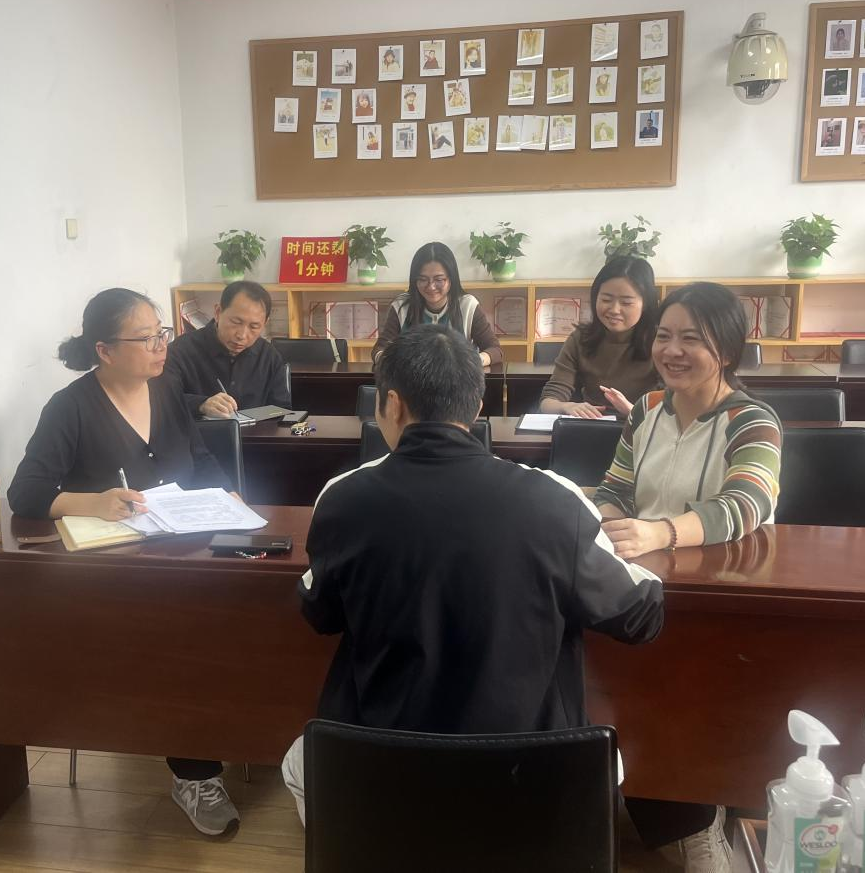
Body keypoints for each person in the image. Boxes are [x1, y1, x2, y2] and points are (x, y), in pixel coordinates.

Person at [282, 323, 664, 826]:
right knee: (601, 761)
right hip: (527, 771)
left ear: (391, 404)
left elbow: (320, 613)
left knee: (297, 765)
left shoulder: (343, 497)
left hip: (383, 763)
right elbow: (639, 617)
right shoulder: (555, 500)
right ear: (477, 407)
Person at [7, 288, 242, 837]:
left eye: (163, 334)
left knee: (255, 620)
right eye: (147, 338)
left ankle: (264, 740)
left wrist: (228, 497)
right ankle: (196, 774)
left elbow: (202, 461)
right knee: (184, 643)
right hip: (118, 576)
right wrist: (92, 502)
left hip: (189, 557)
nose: (162, 347)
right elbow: (25, 493)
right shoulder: (70, 407)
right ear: (105, 350)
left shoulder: (167, 388)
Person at [593, 281, 782, 872]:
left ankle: (694, 823)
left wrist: (660, 532)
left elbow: (747, 503)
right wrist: (606, 518)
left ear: (725, 349)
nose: (672, 351)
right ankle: (652, 803)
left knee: (685, 696)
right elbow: (615, 488)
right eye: (664, 336)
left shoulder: (752, 420)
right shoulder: (647, 410)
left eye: (691, 339)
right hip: (643, 586)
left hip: (722, 597)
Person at [540, 257, 660, 418]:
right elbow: (548, 401)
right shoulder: (581, 338)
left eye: (626, 303)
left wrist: (633, 412)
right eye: (606, 299)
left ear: (645, 304)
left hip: (644, 428)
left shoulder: (661, 342)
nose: (614, 310)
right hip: (593, 425)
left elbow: (674, 407)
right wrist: (566, 406)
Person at [163, 281, 291, 419]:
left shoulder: (268, 356)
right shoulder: (181, 351)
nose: (242, 335)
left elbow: (281, 410)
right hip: (199, 432)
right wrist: (201, 405)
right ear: (218, 312)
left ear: (264, 324)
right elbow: (161, 400)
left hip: (255, 433)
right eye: (236, 322)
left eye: (254, 327)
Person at [372, 243, 502, 366]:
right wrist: (390, 361)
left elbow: (495, 350)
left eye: (439, 279)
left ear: (451, 279)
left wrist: (471, 362)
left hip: (457, 379)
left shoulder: (467, 305)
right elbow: (379, 350)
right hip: (412, 379)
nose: (431, 287)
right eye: (423, 279)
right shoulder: (401, 306)